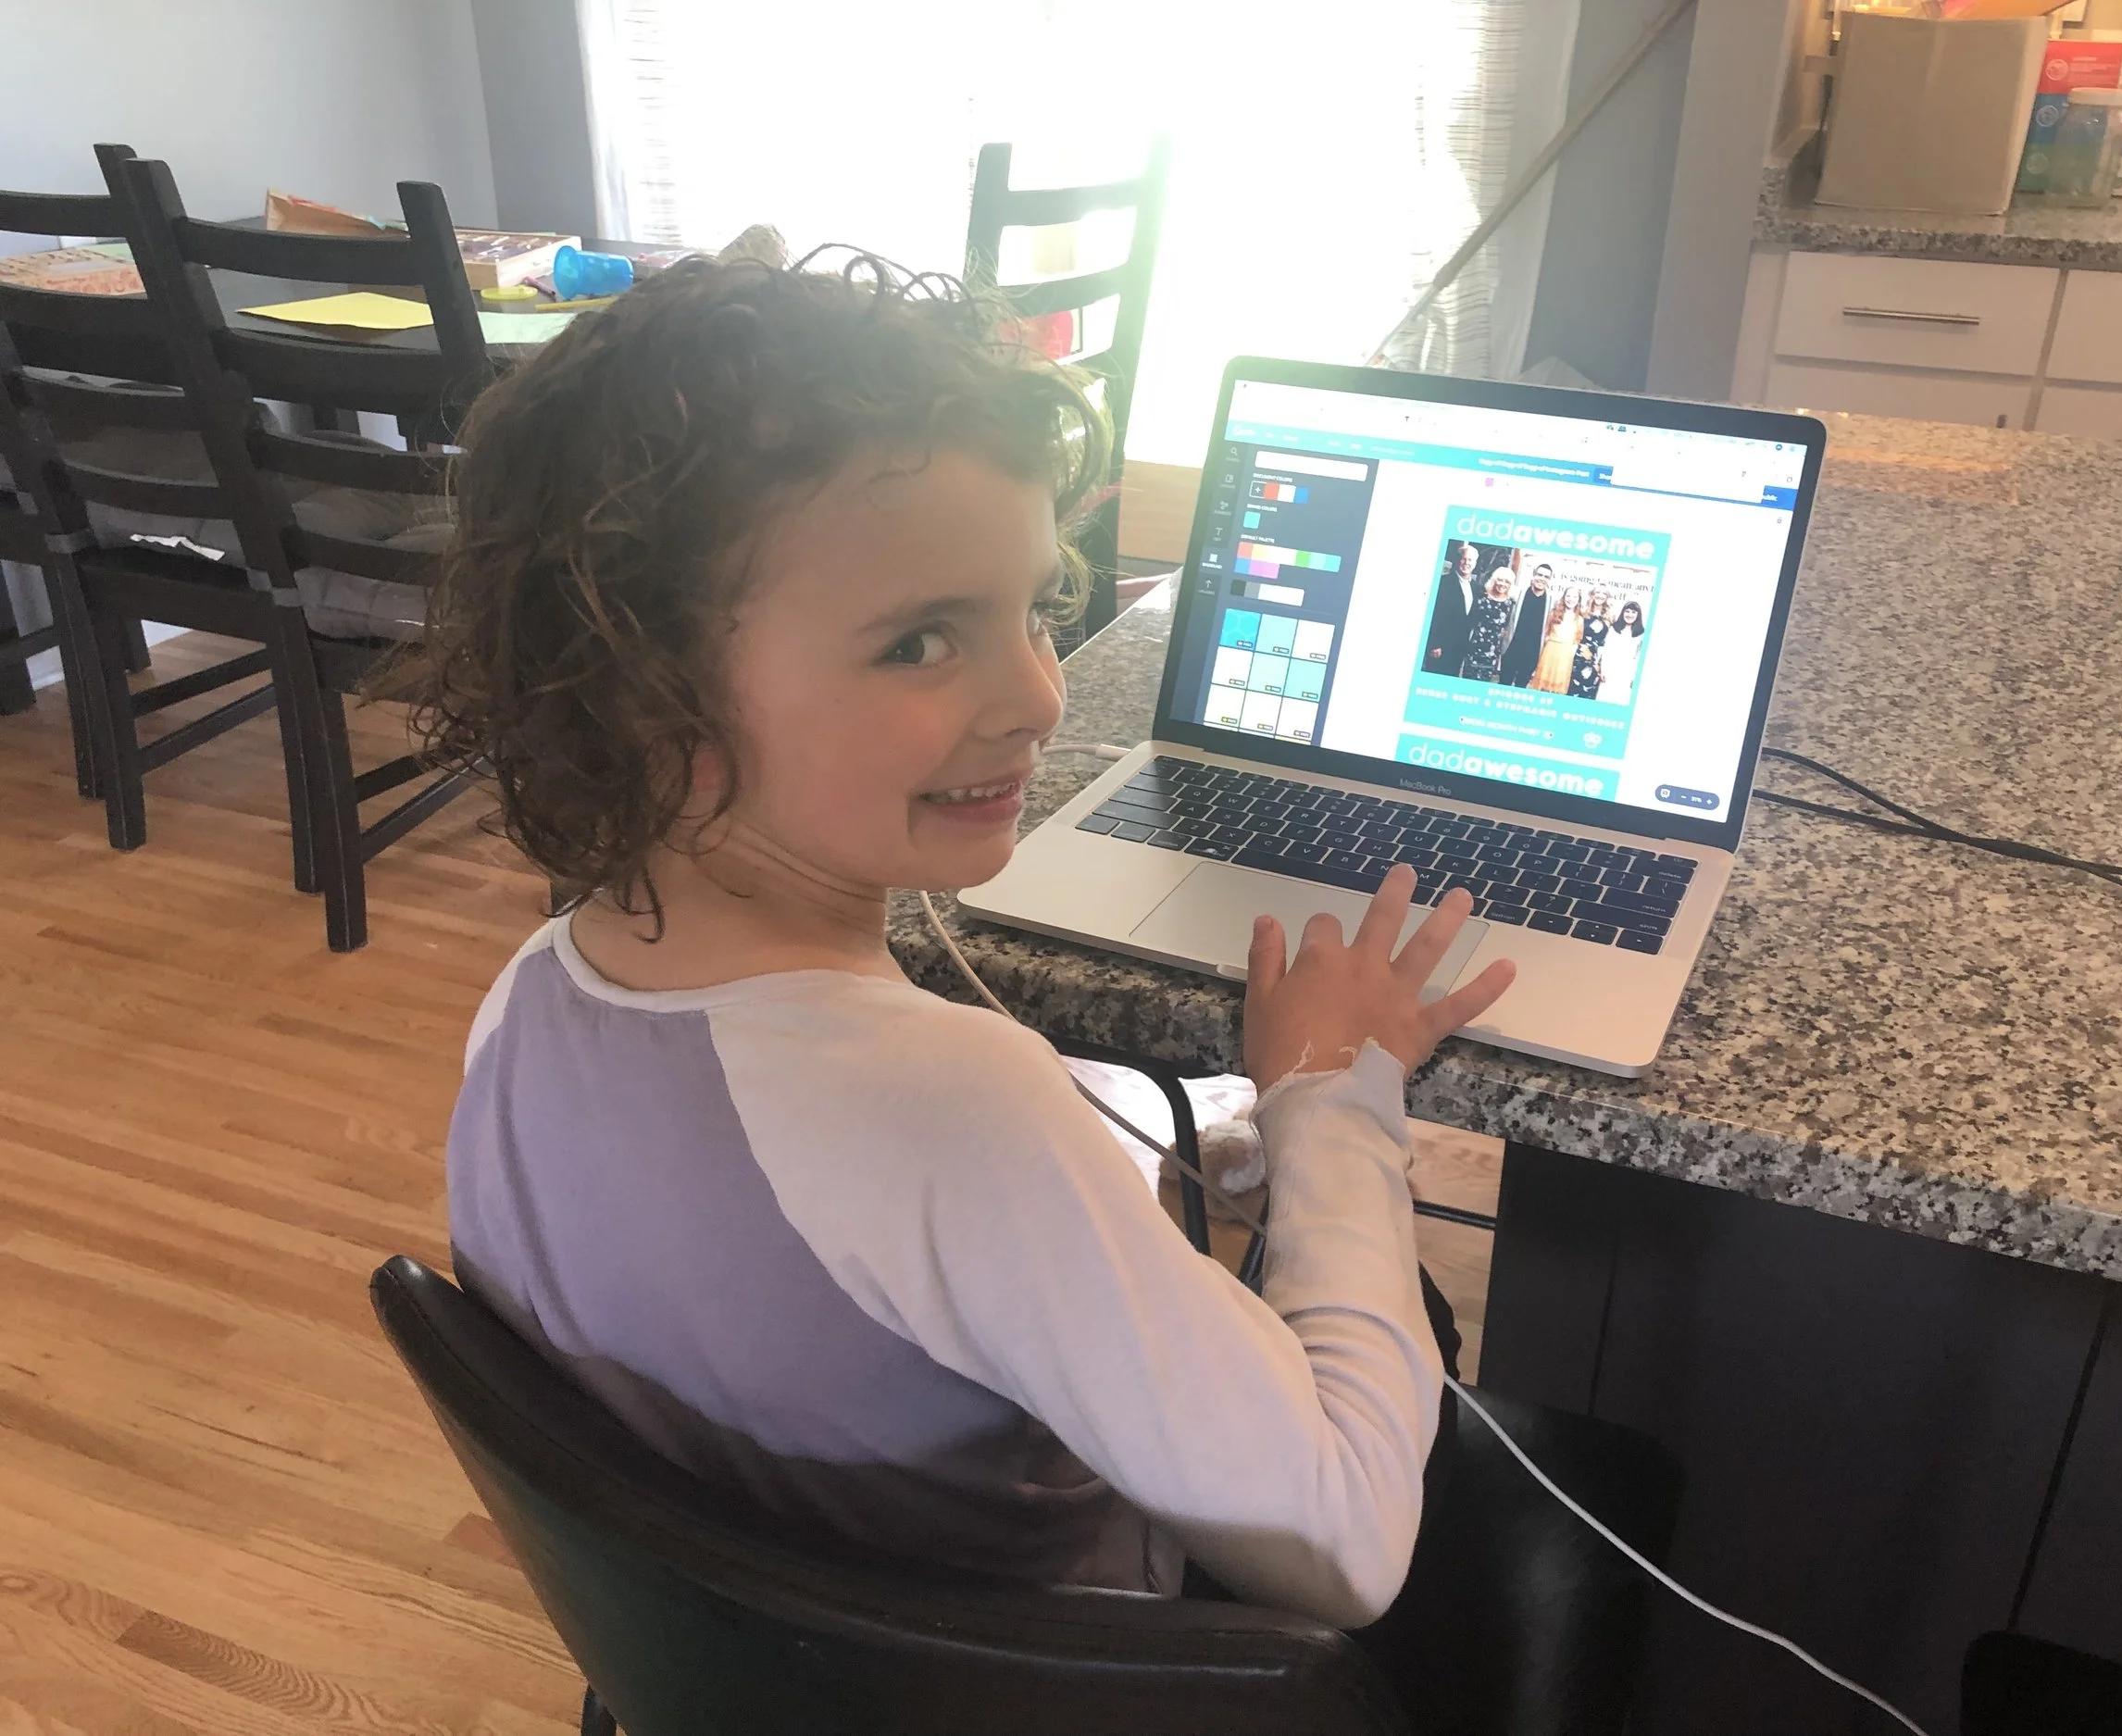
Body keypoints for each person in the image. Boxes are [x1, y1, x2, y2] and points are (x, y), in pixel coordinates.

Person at [406, 254, 1660, 1735]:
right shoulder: (950, 1108)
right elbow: (1340, 1546)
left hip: (775, 1681)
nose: (1039, 695)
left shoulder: (522, 1009)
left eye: (1036, 605)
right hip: (1058, 1693)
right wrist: (1333, 1093)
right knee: (1467, 1369)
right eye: (921, 639)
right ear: (646, 699)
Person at [1496, 556, 1554, 689]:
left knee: (1521, 686)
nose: (1542, 579)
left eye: (1546, 576)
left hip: (1532, 653)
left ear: (1549, 580)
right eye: (1539, 575)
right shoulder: (1517, 594)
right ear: (1533, 575)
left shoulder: (1551, 601)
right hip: (1512, 648)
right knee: (1504, 684)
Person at [1422, 540, 1479, 673]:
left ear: (1475, 564)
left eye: (1470, 560)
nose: (1467, 563)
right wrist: (1434, 644)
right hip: (1440, 648)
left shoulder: (1476, 588)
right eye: (1464, 559)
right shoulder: (1444, 583)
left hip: (1459, 647)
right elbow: (1435, 615)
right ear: (1458, 560)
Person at [1458, 565, 1517, 682]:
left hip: (1491, 653)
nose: (1502, 584)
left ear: (1510, 585)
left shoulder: (1510, 604)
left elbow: (1507, 630)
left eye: (1507, 582)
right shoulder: (1482, 597)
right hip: (1474, 648)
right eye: (1500, 580)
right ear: (1494, 580)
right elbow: (1470, 622)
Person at [1531, 582, 1583, 694]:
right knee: (1542, 687)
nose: (1571, 599)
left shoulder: (1579, 619)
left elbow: (1577, 640)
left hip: (1565, 656)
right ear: (1564, 597)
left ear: (1578, 600)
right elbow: (1545, 633)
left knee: (1558, 688)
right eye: (1568, 596)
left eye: (1575, 597)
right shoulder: (1553, 614)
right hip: (1550, 652)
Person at [1597, 599, 1646, 706]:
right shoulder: (1614, 629)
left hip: (1627, 674)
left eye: (1633, 612)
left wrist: (1635, 677)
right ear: (1623, 612)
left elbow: (1639, 657)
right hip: (1610, 672)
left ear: (1638, 615)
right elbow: (1606, 650)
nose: (1630, 615)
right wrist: (1603, 670)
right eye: (1627, 611)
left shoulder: (1642, 634)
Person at [1567, 588, 1611, 700]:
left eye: (1603, 593)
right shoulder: (1583, 612)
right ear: (1592, 594)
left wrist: (1598, 662)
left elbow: (1607, 642)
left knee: (1589, 692)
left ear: (1607, 597)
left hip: (1596, 659)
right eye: (1597, 592)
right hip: (1579, 655)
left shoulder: (1610, 617)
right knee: (1573, 689)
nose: (1600, 595)